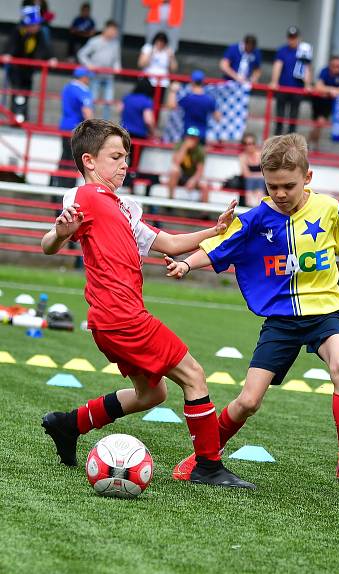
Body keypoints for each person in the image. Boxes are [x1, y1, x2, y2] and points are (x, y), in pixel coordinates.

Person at [165, 133, 339, 488]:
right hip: (281, 320)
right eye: (272, 186)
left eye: (288, 186)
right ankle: (206, 456)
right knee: (248, 401)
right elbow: (219, 247)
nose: (280, 193)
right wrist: (187, 265)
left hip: (326, 312)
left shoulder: (327, 208)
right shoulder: (257, 218)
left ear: (307, 177)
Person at [39, 118, 252, 489]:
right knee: (194, 375)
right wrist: (60, 231)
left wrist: (217, 230)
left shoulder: (123, 208)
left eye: (126, 157)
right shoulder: (86, 197)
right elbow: (49, 242)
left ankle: (68, 424)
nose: (125, 164)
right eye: (116, 157)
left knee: (153, 393)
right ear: (89, 161)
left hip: (110, 321)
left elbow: (169, 244)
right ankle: (208, 466)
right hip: (123, 317)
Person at [2, 6, 56, 122]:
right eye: (34, 24)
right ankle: (15, 118)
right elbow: (11, 45)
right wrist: (8, 54)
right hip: (16, 68)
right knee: (17, 91)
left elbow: (45, 47)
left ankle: (23, 118)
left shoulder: (39, 33)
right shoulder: (18, 31)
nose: (37, 27)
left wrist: (51, 58)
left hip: (28, 69)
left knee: (26, 91)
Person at [50, 67, 94, 189]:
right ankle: (68, 189)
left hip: (65, 126)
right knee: (74, 160)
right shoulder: (83, 91)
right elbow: (87, 112)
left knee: (64, 158)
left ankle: (57, 186)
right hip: (76, 129)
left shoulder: (67, 88)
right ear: (83, 77)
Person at [270, 26, 313, 135]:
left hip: (297, 88)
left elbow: (307, 67)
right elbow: (277, 66)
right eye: (290, 37)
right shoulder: (282, 50)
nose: (292, 39)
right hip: (283, 87)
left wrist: (307, 84)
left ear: (299, 38)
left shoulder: (304, 50)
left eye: (294, 37)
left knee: (293, 117)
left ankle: (291, 142)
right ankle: (277, 140)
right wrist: (274, 81)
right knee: (280, 115)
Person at [77, 20, 122, 120]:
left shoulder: (115, 43)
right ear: (106, 29)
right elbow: (82, 54)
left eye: (115, 31)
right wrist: (89, 65)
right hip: (95, 76)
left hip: (109, 76)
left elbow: (116, 59)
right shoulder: (95, 41)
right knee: (92, 101)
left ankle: (106, 126)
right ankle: (90, 123)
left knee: (108, 102)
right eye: (112, 30)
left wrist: (117, 68)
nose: (114, 33)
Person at [167, 70, 220, 144]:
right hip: (201, 134)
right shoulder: (209, 100)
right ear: (203, 82)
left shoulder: (188, 98)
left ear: (192, 82)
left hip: (189, 132)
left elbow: (171, 106)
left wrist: (173, 91)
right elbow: (218, 118)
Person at [309, 55, 339, 147]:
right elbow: (318, 87)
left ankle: (311, 142)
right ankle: (312, 142)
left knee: (320, 123)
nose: (337, 68)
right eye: (335, 66)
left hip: (329, 102)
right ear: (330, 65)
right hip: (318, 100)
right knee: (317, 124)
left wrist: (333, 91)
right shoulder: (324, 71)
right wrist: (331, 90)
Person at [120, 78, 156, 173]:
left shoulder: (127, 98)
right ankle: (130, 179)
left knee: (121, 158)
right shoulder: (146, 101)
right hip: (139, 134)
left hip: (124, 132)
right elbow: (148, 120)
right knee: (134, 162)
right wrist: (152, 132)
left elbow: (120, 109)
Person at [166, 126, 208, 202]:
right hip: (180, 176)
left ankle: (205, 212)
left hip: (192, 176)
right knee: (174, 170)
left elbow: (200, 170)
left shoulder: (200, 150)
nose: (191, 139)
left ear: (197, 139)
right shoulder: (180, 145)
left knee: (205, 185)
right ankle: (170, 199)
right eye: (190, 137)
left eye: (193, 138)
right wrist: (185, 148)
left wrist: (193, 180)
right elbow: (176, 162)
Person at [138, 31, 178, 101]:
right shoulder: (148, 48)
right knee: (144, 101)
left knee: (157, 104)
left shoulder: (169, 51)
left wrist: (171, 57)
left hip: (162, 83)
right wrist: (151, 54)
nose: (160, 43)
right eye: (159, 41)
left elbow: (174, 69)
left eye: (163, 41)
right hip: (147, 81)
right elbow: (141, 64)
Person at [238, 132, 264, 207]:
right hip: (249, 183)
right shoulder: (242, 157)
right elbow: (246, 174)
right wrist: (259, 175)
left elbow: (266, 173)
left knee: (259, 181)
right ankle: (252, 202)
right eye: (246, 144)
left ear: (255, 144)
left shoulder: (260, 155)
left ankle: (256, 202)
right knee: (251, 180)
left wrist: (255, 175)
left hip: (260, 183)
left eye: (251, 143)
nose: (249, 146)